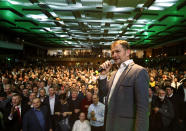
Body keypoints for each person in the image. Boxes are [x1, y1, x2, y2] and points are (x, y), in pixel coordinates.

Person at [98, 40, 149, 131]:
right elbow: (103, 93)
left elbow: (142, 108)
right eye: (112, 52)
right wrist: (103, 75)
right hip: (110, 124)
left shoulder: (139, 71)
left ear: (128, 52)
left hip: (126, 127)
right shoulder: (114, 73)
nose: (114, 55)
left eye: (117, 51)